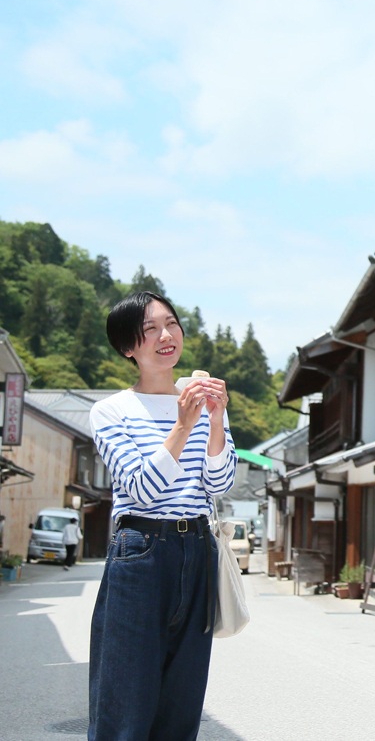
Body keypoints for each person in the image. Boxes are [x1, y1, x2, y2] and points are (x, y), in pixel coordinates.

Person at [87, 291, 237, 740]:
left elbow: (220, 485)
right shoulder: (111, 412)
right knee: (125, 700)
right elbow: (141, 491)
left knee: (182, 703)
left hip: (198, 547)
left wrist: (214, 420)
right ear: (128, 348)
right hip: (141, 552)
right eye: (149, 329)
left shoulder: (205, 403)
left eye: (170, 323)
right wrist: (183, 425)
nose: (165, 335)